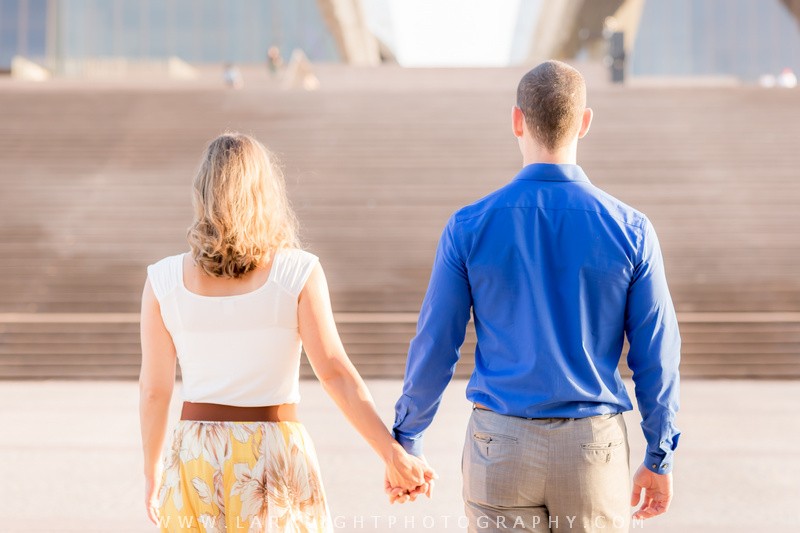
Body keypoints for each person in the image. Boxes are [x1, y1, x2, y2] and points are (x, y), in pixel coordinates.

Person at [388, 60, 681, 532]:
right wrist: (660, 453)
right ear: (584, 123)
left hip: (499, 441)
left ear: (517, 120)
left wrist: (408, 435)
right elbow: (657, 354)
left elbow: (437, 342)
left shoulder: (469, 226)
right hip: (593, 445)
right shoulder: (632, 230)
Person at [139, 132, 435, 531]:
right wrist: (392, 454)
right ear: (265, 192)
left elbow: (155, 390)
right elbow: (334, 373)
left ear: (202, 193)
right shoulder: (297, 272)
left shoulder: (163, 280)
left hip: (196, 455)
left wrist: (151, 470)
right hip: (274, 453)